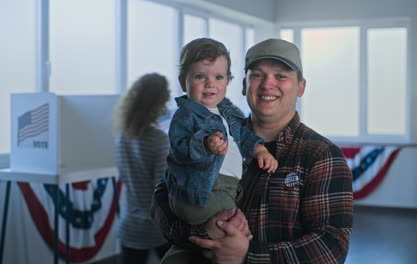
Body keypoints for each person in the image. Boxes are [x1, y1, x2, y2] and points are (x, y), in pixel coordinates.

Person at [152, 38, 353, 264]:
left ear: (301, 87)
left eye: (281, 76)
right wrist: (203, 232)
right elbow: (161, 198)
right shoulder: (215, 133)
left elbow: (332, 247)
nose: (268, 84)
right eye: (257, 75)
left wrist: (246, 255)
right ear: (244, 85)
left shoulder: (321, 156)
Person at [165, 37, 277, 228]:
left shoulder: (228, 111)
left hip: (228, 188)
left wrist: (259, 149)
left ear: (228, 80)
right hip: (204, 192)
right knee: (234, 231)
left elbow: (243, 134)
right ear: (183, 82)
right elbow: (180, 148)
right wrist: (205, 144)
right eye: (200, 76)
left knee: (231, 234)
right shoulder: (185, 115)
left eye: (218, 77)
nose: (210, 84)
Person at [113, 72, 172, 263]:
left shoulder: (122, 137)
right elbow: (161, 189)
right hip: (156, 226)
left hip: (130, 224)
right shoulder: (159, 140)